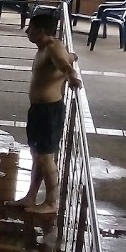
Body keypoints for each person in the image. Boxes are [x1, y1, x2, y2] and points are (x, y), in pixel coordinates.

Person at [20, 13, 81, 216]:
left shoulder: (53, 48)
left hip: (49, 111)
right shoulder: (49, 47)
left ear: (40, 31)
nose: (27, 31)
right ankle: (31, 196)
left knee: (45, 157)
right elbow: (67, 58)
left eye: (30, 28)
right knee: (37, 155)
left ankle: (51, 202)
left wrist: (73, 78)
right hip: (38, 110)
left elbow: (65, 66)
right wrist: (72, 56)